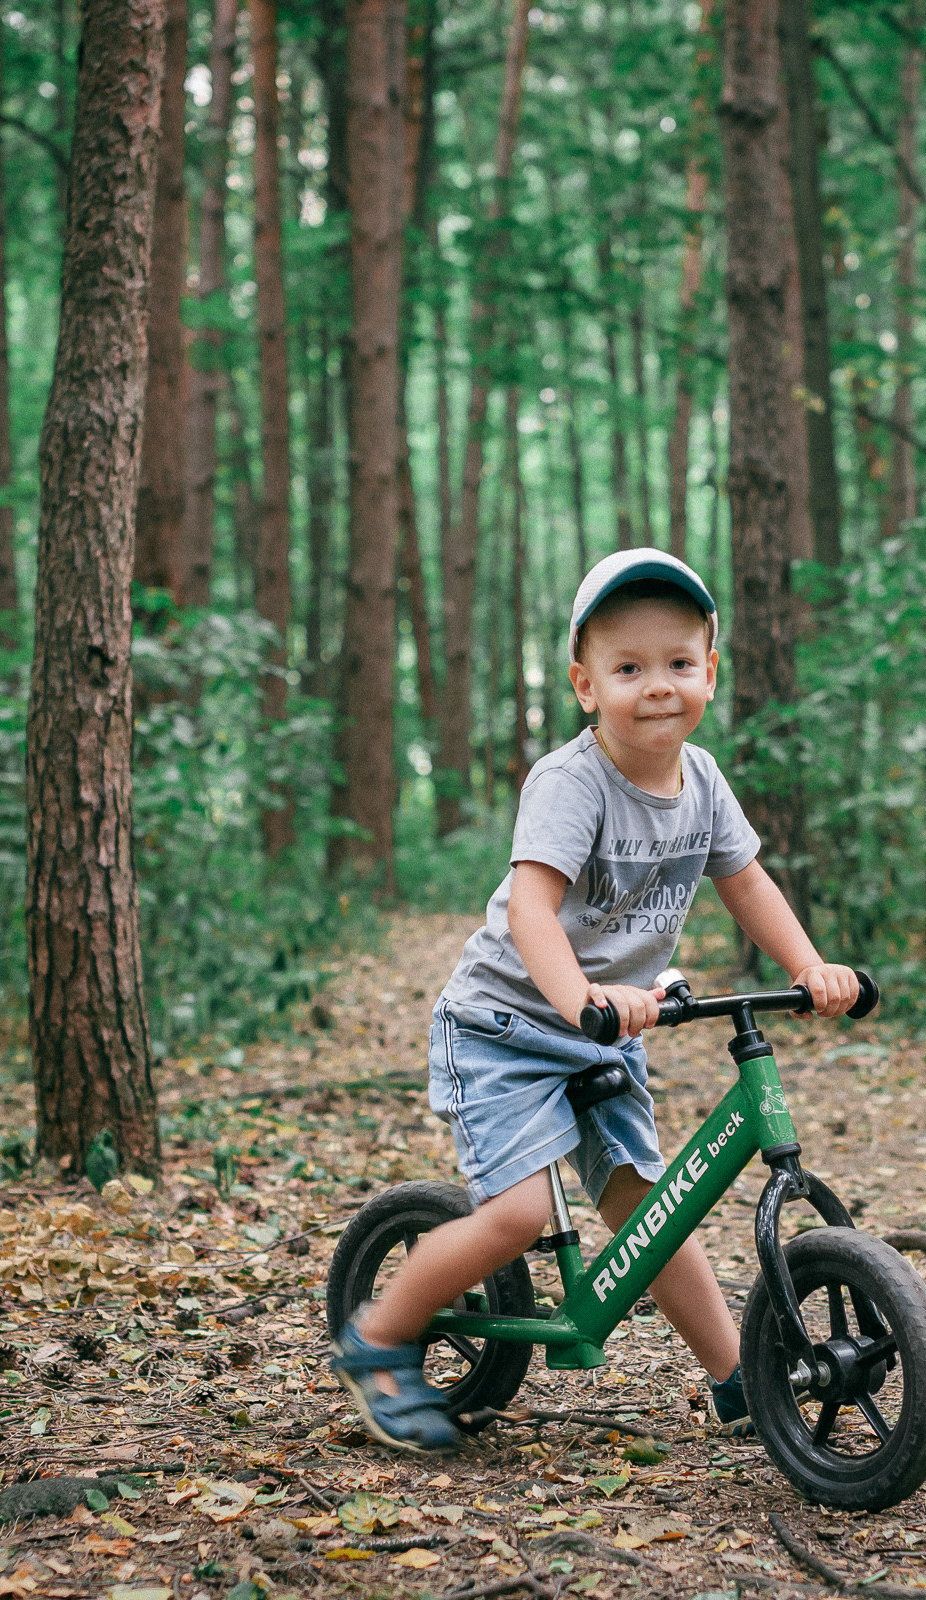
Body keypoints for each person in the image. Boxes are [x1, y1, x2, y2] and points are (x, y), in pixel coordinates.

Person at [331, 548, 861, 1453]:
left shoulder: (705, 783)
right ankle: (378, 1340)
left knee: (649, 1206)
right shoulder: (570, 783)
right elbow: (533, 907)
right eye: (628, 668)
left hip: (601, 1027)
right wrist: (581, 995)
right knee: (517, 1215)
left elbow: (747, 882)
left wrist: (813, 966)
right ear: (586, 685)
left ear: (710, 672)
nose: (658, 686)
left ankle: (740, 1378)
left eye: (678, 664)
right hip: (505, 1026)